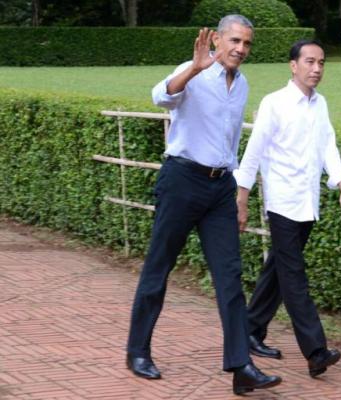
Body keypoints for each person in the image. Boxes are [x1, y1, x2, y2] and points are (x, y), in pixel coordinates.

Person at [125, 14, 281, 395]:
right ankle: (137, 350)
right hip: (181, 181)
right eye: (234, 41)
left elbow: (229, 145)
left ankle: (241, 365)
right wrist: (193, 69)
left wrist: (237, 194)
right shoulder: (195, 71)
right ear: (217, 40)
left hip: (219, 190)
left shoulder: (241, 85)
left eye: (247, 44)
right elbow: (161, 96)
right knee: (158, 270)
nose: (241, 49)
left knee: (229, 278)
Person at [234, 39, 341, 378]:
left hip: (308, 204)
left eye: (321, 63)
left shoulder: (321, 104)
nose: (316, 69)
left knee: (277, 269)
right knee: (293, 276)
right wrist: (241, 196)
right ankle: (315, 351)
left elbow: (328, 144)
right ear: (293, 65)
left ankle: (250, 330)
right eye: (310, 62)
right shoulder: (275, 103)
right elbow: (253, 152)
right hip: (283, 204)